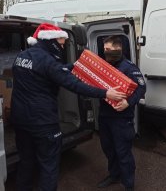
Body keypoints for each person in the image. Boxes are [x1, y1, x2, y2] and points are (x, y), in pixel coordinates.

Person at [11, 23, 126, 191]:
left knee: (26, 161)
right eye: (61, 42)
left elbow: (52, 71)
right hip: (43, 123)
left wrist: (75, 66)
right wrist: (106, 93)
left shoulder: (22, 56)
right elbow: (75, 85)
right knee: (48, 166)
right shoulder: (48, 62)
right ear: (51, 40)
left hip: (20, 120)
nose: (63, 45)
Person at [96, 36, 146, 191]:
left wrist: (128, 102)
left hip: (121, 119)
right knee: (108, 149)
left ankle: (128, 184)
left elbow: (141, 88)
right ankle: (114, 175)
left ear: (119, 49)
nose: (106, 53)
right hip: (105, 116)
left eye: (109, 50)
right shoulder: (104, 65)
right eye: (104, 50)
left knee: (123, 152)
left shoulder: (129, 68)